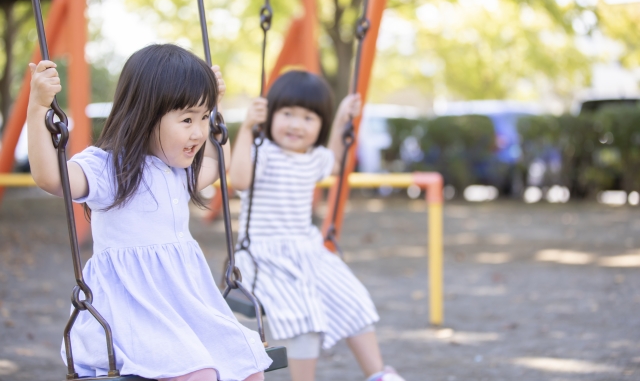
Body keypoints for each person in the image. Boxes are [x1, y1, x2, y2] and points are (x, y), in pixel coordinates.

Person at [27, 44, 271, 381]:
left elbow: (221, 162)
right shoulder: (109, 168)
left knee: (248, 367)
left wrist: (218, 110)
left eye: (203, 119)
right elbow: (51, 178)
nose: (199, 132)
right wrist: (38, 107)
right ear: (145, 114)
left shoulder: (178, 171)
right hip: (132, 309)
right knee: (198, 373)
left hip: (184, 304)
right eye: (187, 119)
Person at [229, 70, 405, 381]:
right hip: (263, 258)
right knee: (304, 320)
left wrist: (340, 120)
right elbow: (239, 178)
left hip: (307, 251)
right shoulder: (262, 153)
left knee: (354, 298)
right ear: (269, 116)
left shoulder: (311, 158)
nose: (296, 124)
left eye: (309, 118)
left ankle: (378, 375)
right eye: (287, 114)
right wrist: (246, 128)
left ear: (319, 125)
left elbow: (335, 162)